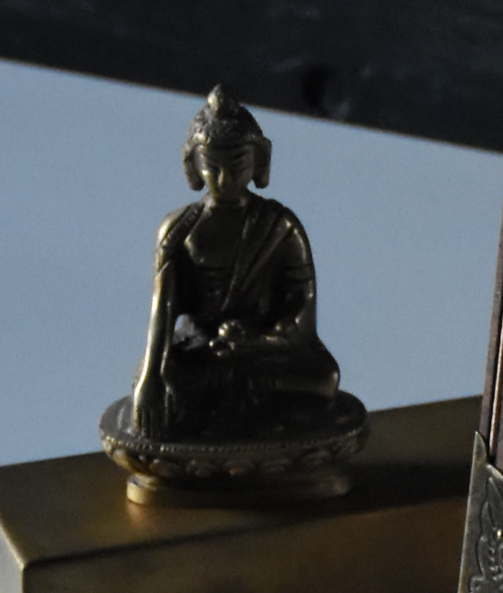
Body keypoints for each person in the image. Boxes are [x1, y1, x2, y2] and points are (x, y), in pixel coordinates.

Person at [128, 87, 346, 442]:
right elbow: (162, 311)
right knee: (164, 379)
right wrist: (151, 375)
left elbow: (301, 307)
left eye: (236, 165)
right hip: (203, 351)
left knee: (323, 381)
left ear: (259, 161)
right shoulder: (179, 229)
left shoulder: (280, 225)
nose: (225, 180)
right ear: (193, 165)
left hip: (264, 352)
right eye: (213, 168)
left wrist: (258, 340)